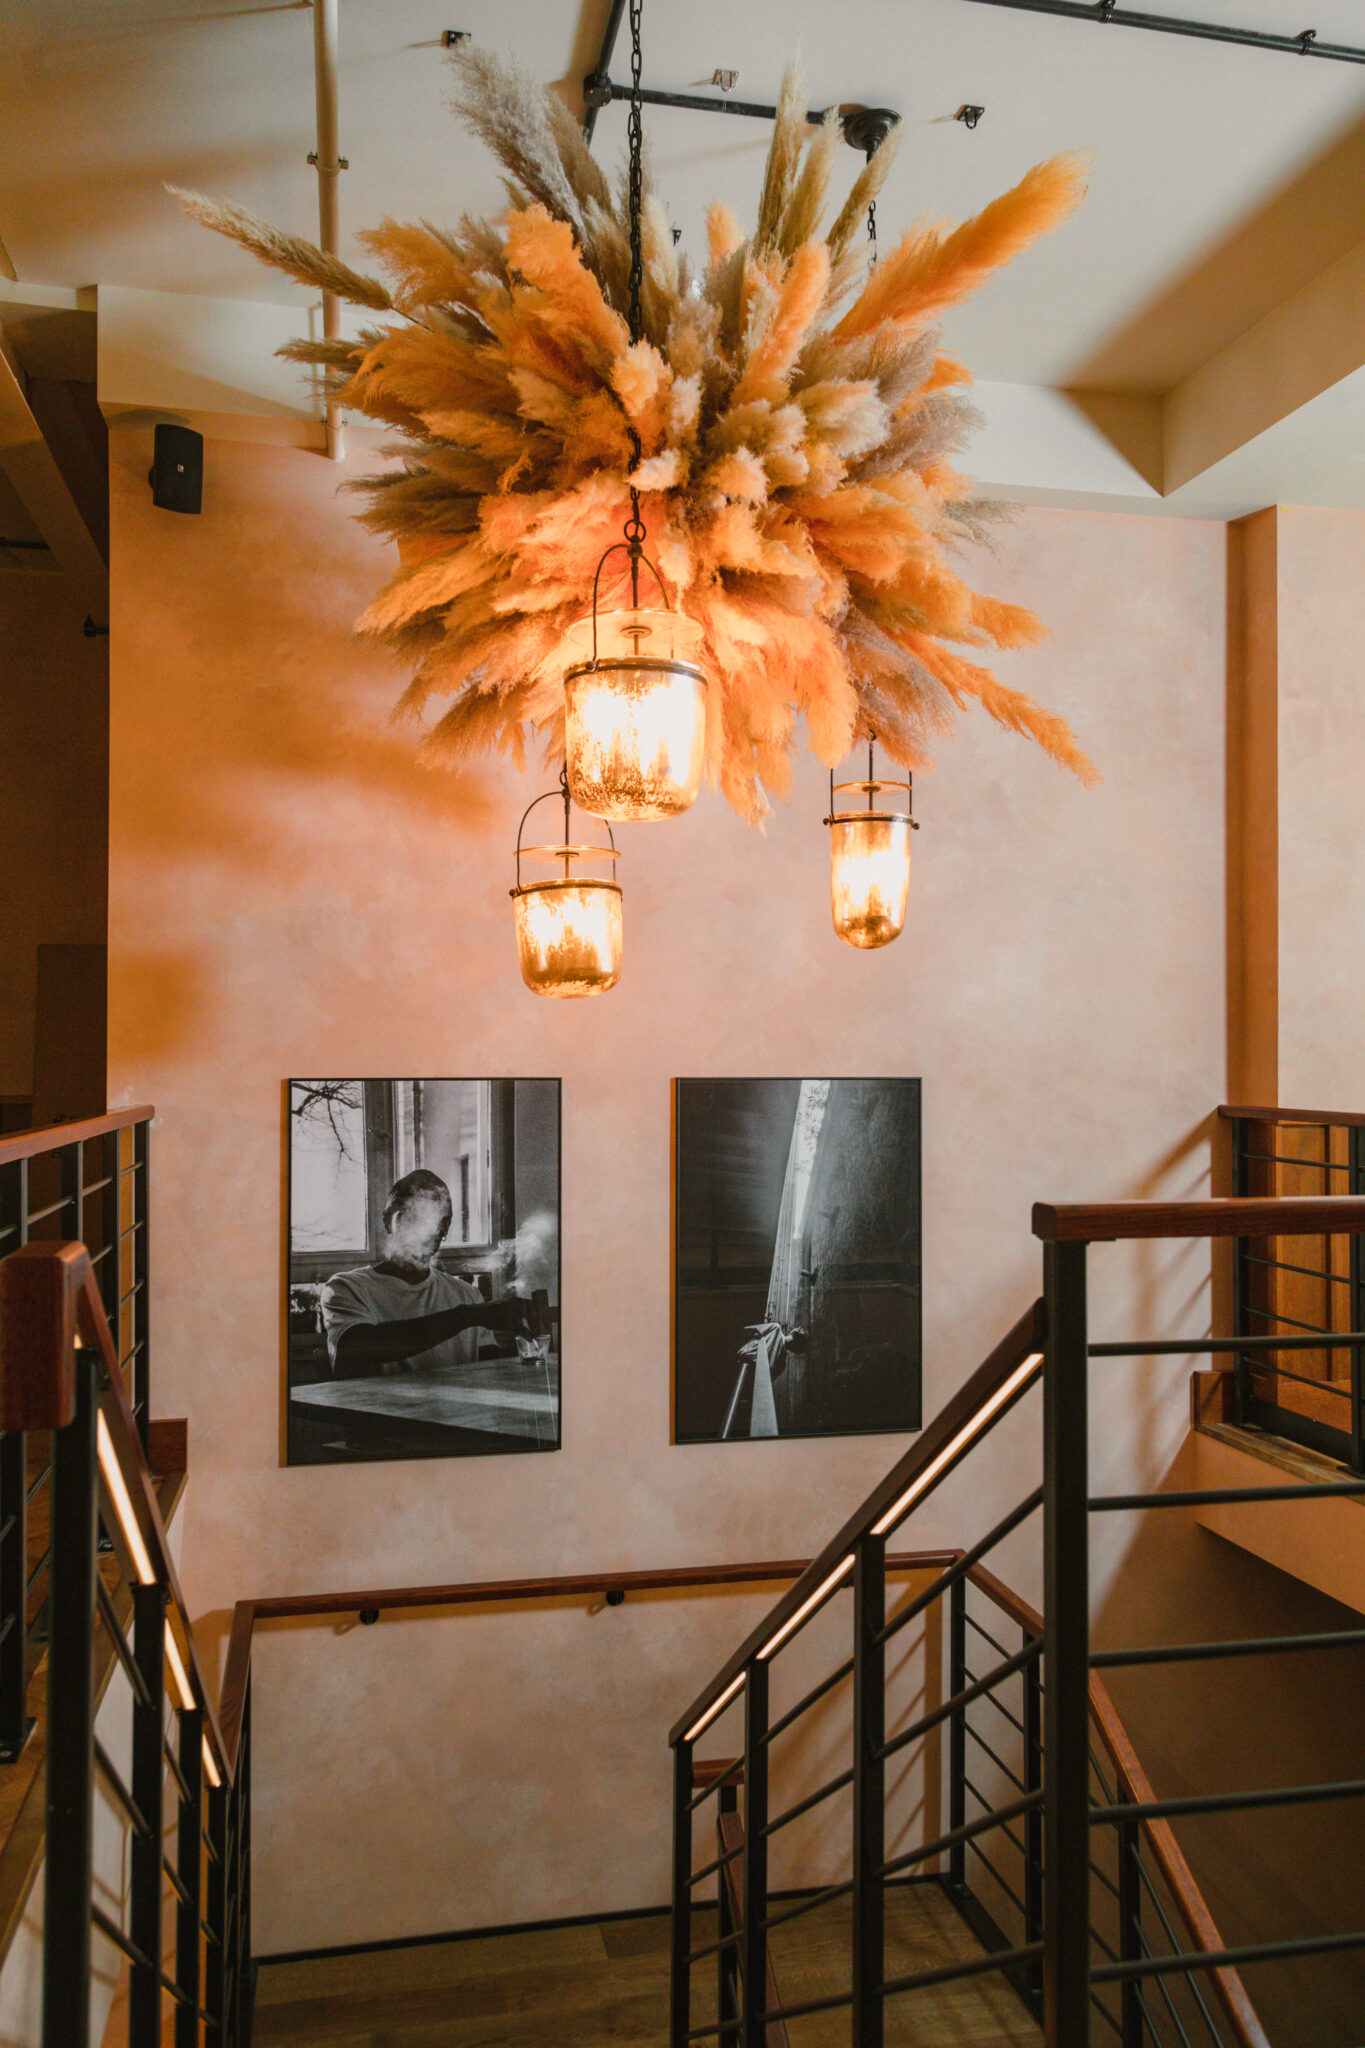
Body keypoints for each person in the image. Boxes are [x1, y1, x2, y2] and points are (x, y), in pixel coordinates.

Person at [322, 1168, 533, 1379]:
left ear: (445, 1227)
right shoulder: (347, 1288)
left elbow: (489, 1373)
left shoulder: (467, 1294)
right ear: (388, 1222)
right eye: (409, 1216)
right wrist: (466, 1316)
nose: (419, 1228)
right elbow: (356, 1349)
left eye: (433, 1219)